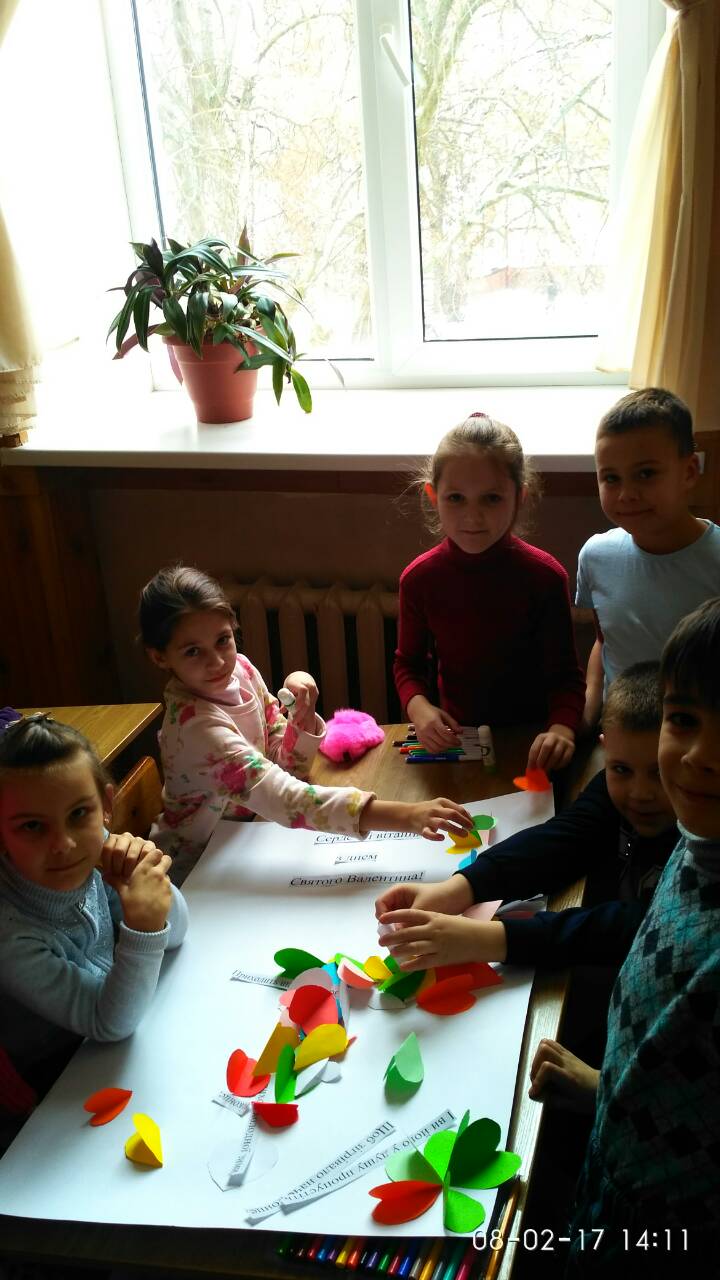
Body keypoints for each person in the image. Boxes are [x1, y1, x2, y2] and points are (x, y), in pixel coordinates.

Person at [543, 597, 720, 1276]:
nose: (700, 756)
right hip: (611, 1166)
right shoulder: (697, 836)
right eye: (685, 720)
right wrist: (604, 1090)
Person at [140, 565, 473, 882]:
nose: (216, 662)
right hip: (197, 870)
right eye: (193, 652)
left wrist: (302, 716)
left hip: (249, 837)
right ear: (159, 657)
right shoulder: (196, 729)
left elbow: (286, 766)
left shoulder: (241, 670)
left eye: (222, 640)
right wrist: (407, 816)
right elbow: (286, 798)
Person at [375, 662, 677, 986]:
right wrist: (457, 889)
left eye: (659, 772)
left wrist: (490, 939)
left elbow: (638, 926)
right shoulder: (609, 786)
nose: (640, 792)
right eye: (621, 769)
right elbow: (561, 840)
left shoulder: (696, 841)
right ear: (606, 750)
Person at [0, 714, 188, 1147]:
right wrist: (143, 926)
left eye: (78, 814)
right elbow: (108, 1022)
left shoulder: (96, 841)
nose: (63, 844)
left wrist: (146, 874)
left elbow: (177, 933)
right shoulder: (10, 936)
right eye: (32, 826)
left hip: (112, 1043)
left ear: (105, 803)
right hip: (54, 1085)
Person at [393, 413, 585, 773]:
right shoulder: (419, 579)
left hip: (533, 744)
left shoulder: (545, 577)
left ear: (519, 497)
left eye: (492, 498)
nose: (473, 517)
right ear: (433, 496)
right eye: (456, 498)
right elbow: (408, 665)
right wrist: (419, 707)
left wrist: (562, 729)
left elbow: (566, 679)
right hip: (460, 743)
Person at [576, 387, 720, 729]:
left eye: (646, 474)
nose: (627, 494)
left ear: (689, 472)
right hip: (619, 736)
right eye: (611, 478)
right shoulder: (595, 556)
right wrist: (589, 705)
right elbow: (605, 640)